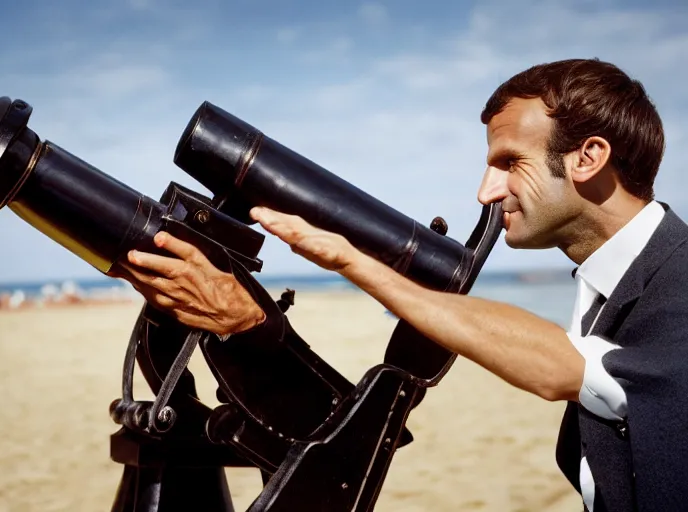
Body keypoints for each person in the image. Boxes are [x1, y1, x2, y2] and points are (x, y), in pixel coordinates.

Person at [117, 59, 688, 512]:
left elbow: (560, 368)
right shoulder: (615, 284)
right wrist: (248, 327)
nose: (486, 191)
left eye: (510, 162)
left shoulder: (679, 280)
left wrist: (351, 260)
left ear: (589, 157)